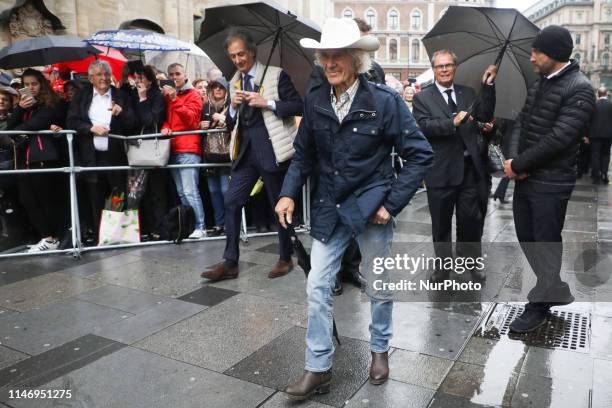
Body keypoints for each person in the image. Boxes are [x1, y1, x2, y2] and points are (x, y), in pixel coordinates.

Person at [277, 18, 433, 399]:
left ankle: (380, 350)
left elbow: (420, 156)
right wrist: (287, 193)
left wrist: (390, 203)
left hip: (371, 208)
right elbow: (302, 156)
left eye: (337, 56)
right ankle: (318, 367)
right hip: (331, 209)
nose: (329, 63)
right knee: (317, 285)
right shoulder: (315, 101)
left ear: (356, 58)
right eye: (324, 56)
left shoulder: (385, 101)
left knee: (379, 285)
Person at [505, 25, 595, 332]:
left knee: (544, 241)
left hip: (552, 182)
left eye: (536, 52)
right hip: (527, 177)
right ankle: (553, 286)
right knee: (526, 236)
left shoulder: (580, 88)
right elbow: (521, 122)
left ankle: (539, 305)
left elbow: (560, 138)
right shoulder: (540, 82)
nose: (531, 58)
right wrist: (516, 161)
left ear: (554, 54)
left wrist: (519, 163)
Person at [200, 28, 303, 281]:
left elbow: (298, 106)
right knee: (232, 201)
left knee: (279, 206)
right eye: (233, 56)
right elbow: (232, 123)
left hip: (272, 150)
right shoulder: (234, 79)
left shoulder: (277, 75)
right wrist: (232, 108)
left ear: (252, 51)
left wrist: (266, 102)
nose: (237, 60)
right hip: (245, 154)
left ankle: (285, 257)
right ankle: (230, 261)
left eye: (241, 54)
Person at [412, 50, 497, 283]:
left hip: (469, 169)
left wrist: (488, 86)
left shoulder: (467, 92)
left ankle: (472, 265)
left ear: (455, 67)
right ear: (433, 69)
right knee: (441, 224)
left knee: (471, 221)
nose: (445, 69)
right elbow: (423, 127)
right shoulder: (422, 98)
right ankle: (442, 268)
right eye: (440, 66)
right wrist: (453, 122)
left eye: (449, 65)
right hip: (440, 171)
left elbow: (485, 114)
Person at [67, 60, 137, 236]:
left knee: (117, 194)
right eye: (99, 74)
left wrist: (122, 112)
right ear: (91, 78)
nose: (104, 78)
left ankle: (119, 236)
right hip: (91, 156)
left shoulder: (121, 95)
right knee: (96, 196)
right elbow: (72, 121)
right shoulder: (82, 96)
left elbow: (133, 124)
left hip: (115, 155)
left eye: (106, 74)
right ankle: (102, 236)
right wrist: (91, 128)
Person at [7, 69, 67, 252]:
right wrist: (20, 108)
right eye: (26, 85)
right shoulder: (24, 106)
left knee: (45, 198)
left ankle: (53, 237)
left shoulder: (51, 102)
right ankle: (46, 237)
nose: (30, 88)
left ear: (41, 84)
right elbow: (10, 128)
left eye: (34, 83)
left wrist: (22, 127)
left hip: (42, 156)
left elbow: (37, 123)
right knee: (27, 198)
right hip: (23, 159)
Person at [160, 63, 205, 239]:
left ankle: (200, 226)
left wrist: (174, 100)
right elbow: (166, 120)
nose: (175, 77)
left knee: (190, 191)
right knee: (181, 192)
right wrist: (164, 127)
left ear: (185, 75)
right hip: (172, 148)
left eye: (178, 73)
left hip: (188, 149)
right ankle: (191, 226)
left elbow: (192, 121)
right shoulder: (169, 96)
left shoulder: (193, 94)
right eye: (171, 74)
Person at [133, 65, 167, 239]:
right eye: (136, 78)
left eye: (141, 78)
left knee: (157, 190)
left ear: (150, 79)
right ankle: (146, 227)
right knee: (140, 191)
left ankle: (159, 228)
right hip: (137, 149)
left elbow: (150, 120)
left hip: (153, 149)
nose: (138, 81)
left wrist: (143, 98)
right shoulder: (133, 95)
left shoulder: (156, 96)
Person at [199, 77, 231, 235]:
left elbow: (236, 123)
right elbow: (197, 127)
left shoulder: (231, 106)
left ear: (226, 90)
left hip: (226, 155)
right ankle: (219, 224)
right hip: (209, 155)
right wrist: (200, 125)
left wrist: (223, 118)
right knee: (213, 191)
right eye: (214, 87)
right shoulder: (205, 106)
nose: (217, 90)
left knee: (226, 190)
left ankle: (230, 223)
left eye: (221, 87)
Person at [589, 87, 612, 184]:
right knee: (605, 154)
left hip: (595, 134)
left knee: (595, 155)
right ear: (606, 93)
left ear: (598, 94)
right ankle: (604, 174)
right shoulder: (611, 105)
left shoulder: (593, 105)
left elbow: (588, 120)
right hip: (608, 134)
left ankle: (596, 176)